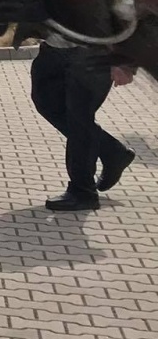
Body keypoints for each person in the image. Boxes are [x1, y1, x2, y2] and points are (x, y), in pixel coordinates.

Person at [28, 29, 138, 211]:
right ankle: (113, 152)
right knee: (46, 104)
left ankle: (83, 192)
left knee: (79, 120)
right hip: (52, 48)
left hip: (93, 53)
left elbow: (125, 12)